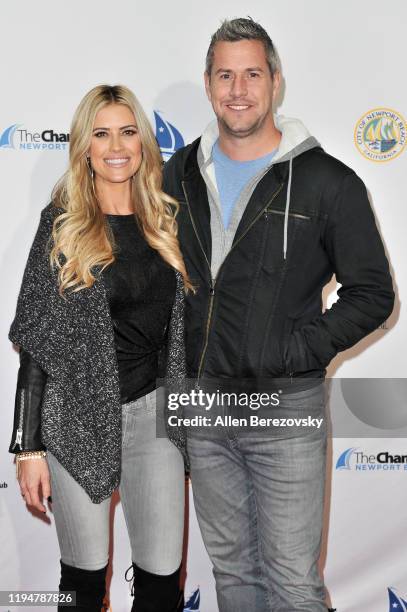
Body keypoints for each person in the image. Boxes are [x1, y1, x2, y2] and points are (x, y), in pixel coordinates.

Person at [163, 17, 395, 612]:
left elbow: (373, 293)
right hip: (204, 405)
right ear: (209, 83)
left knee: (293, 583)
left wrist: (294, 351)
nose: (237, 89)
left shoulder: (328, 181)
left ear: (275, 82)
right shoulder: (175, 176)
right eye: (224, 75)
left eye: (252, 74)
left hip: (286, 407)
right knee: (234, 574)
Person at [8, 84, 190, 612]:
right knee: (83, 585)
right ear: (84, 146)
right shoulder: (61, 225)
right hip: (77, 418)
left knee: (161, 584)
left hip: (156, 420)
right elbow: (37, 341)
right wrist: (28, 445)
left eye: (128, 131)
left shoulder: (168, 223)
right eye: (102, 132)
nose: (116, 145)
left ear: (144, 144)